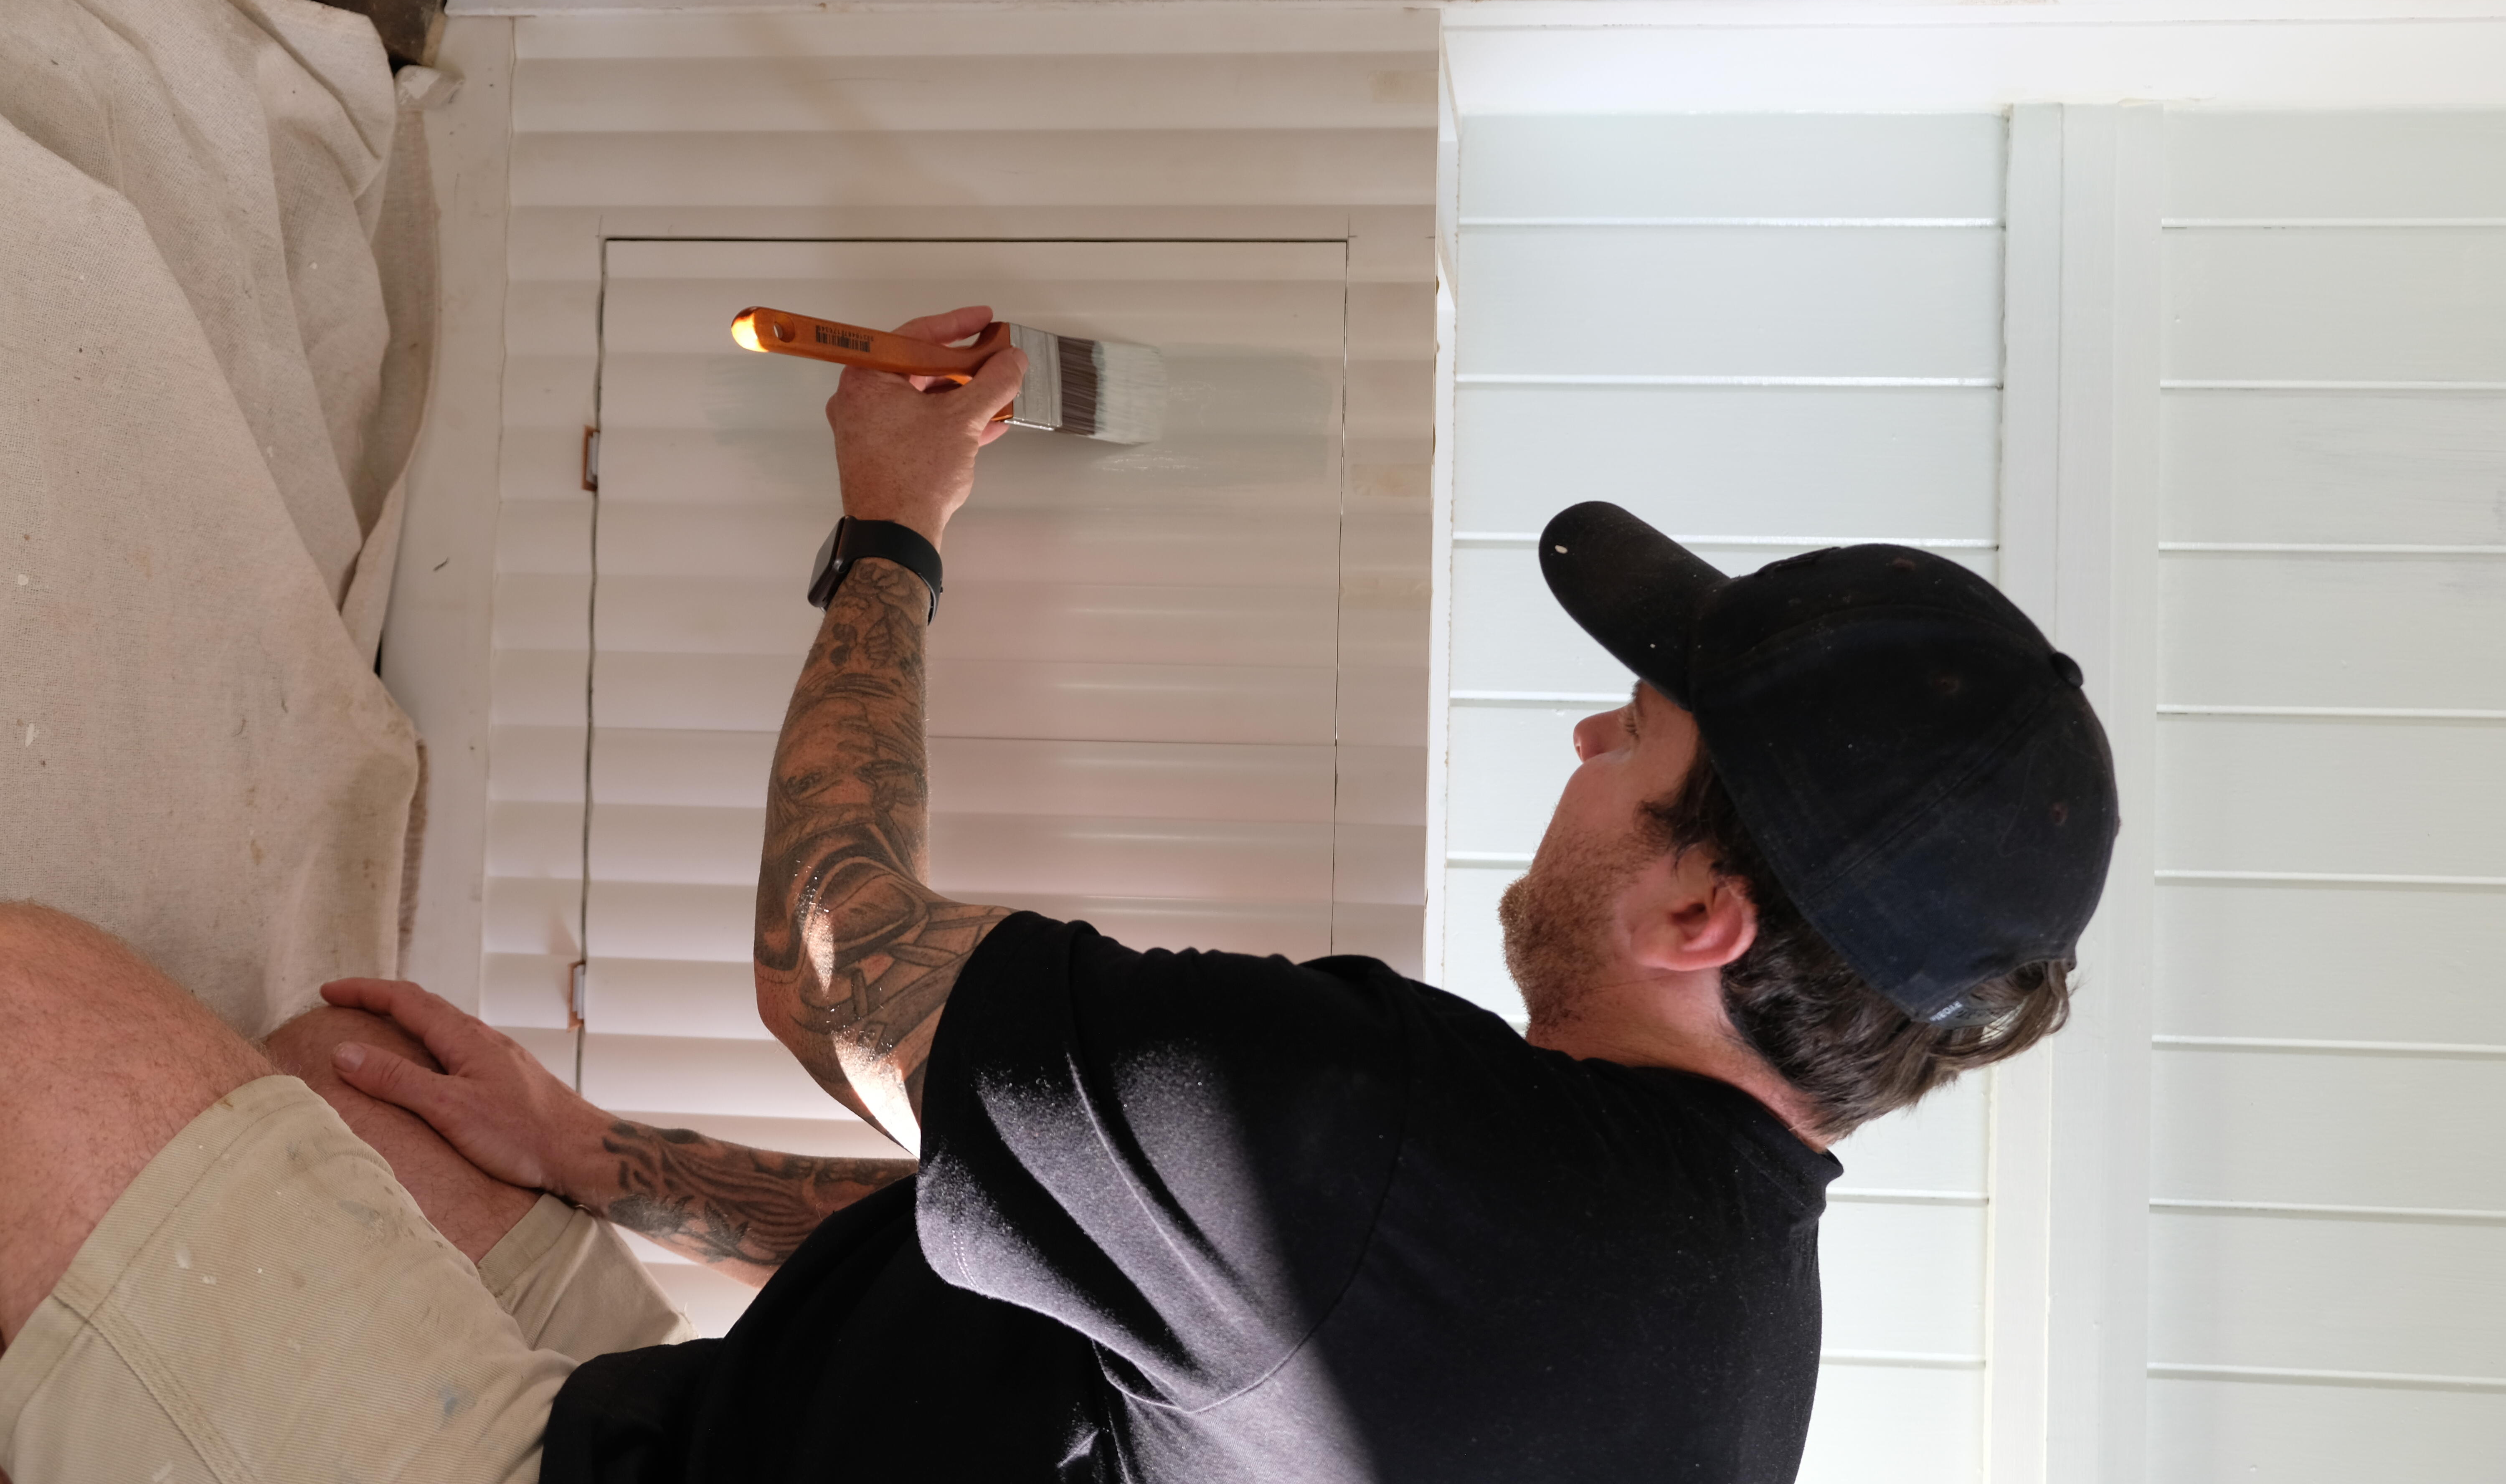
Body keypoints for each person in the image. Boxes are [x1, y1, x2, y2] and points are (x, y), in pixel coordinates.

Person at [0, 307, 2118, 1484]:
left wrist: (891, 527)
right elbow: (1067, 1254)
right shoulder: (1725, 1341)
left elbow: (831, 960)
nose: (1581, 751)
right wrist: (591, 1156)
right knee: (356, 1092)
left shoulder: (1396, 1147)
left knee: (27, 1016)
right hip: (724, 1421)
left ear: (1702, 921)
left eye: (1632, 741)